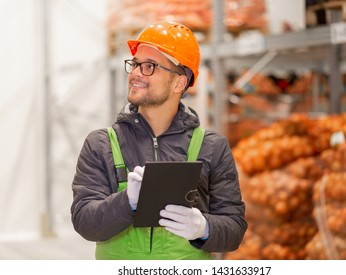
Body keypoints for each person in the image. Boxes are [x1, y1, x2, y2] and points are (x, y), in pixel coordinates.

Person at [71, 21, 247, 260]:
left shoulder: (211, 147)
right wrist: (127, 202)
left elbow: (234, 228)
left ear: (179, 82)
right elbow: (84, 222)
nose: (135, 73)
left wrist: (203, 228)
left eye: (149, 66)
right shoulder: (102, 143)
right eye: (134, 64)